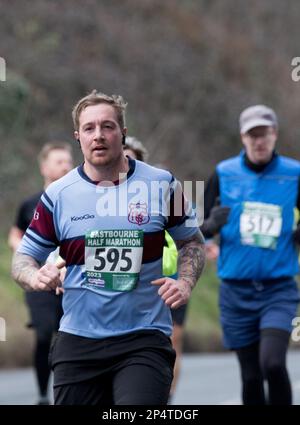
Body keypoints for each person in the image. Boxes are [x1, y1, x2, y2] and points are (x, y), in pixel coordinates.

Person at [12, 90, 206, 405]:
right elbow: (23, 259)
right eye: (89, 128)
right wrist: (35, 277)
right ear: (78, 136)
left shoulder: (161, 184)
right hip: (78, 340)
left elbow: (192, 242)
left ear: (122, 132)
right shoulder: (59, 195)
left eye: (107, 126)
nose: (98, 135)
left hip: (143, 339)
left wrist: (185, 282)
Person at [201, 104, 300, 405]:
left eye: (264, 134)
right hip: (235, 291)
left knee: (272, 362)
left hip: (278, 288)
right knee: (251, 374)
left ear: (274, 135)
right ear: (242, 137)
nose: (259, 142)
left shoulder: (294, 174)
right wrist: (211, 225)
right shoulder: (223, 173)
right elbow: (194, 231)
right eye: (252, 135)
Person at [8, 142, 73, 405]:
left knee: (67, 335)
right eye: (59, 162)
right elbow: (15, 233)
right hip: (39, 278)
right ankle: (43, 394)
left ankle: (66, 390)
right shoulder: (30, 204)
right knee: (45, 332)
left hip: (71, 280)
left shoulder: (80, 199)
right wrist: (23, 252)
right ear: (44, 168)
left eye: (68, 161)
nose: (66, 166)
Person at [123, 138, 187, 403]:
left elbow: (190, 234)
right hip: (131, 287)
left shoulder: (160, 192)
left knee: (174, 341)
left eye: (131, 159)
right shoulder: (99, 198)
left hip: (169, 281)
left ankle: (165, 395)